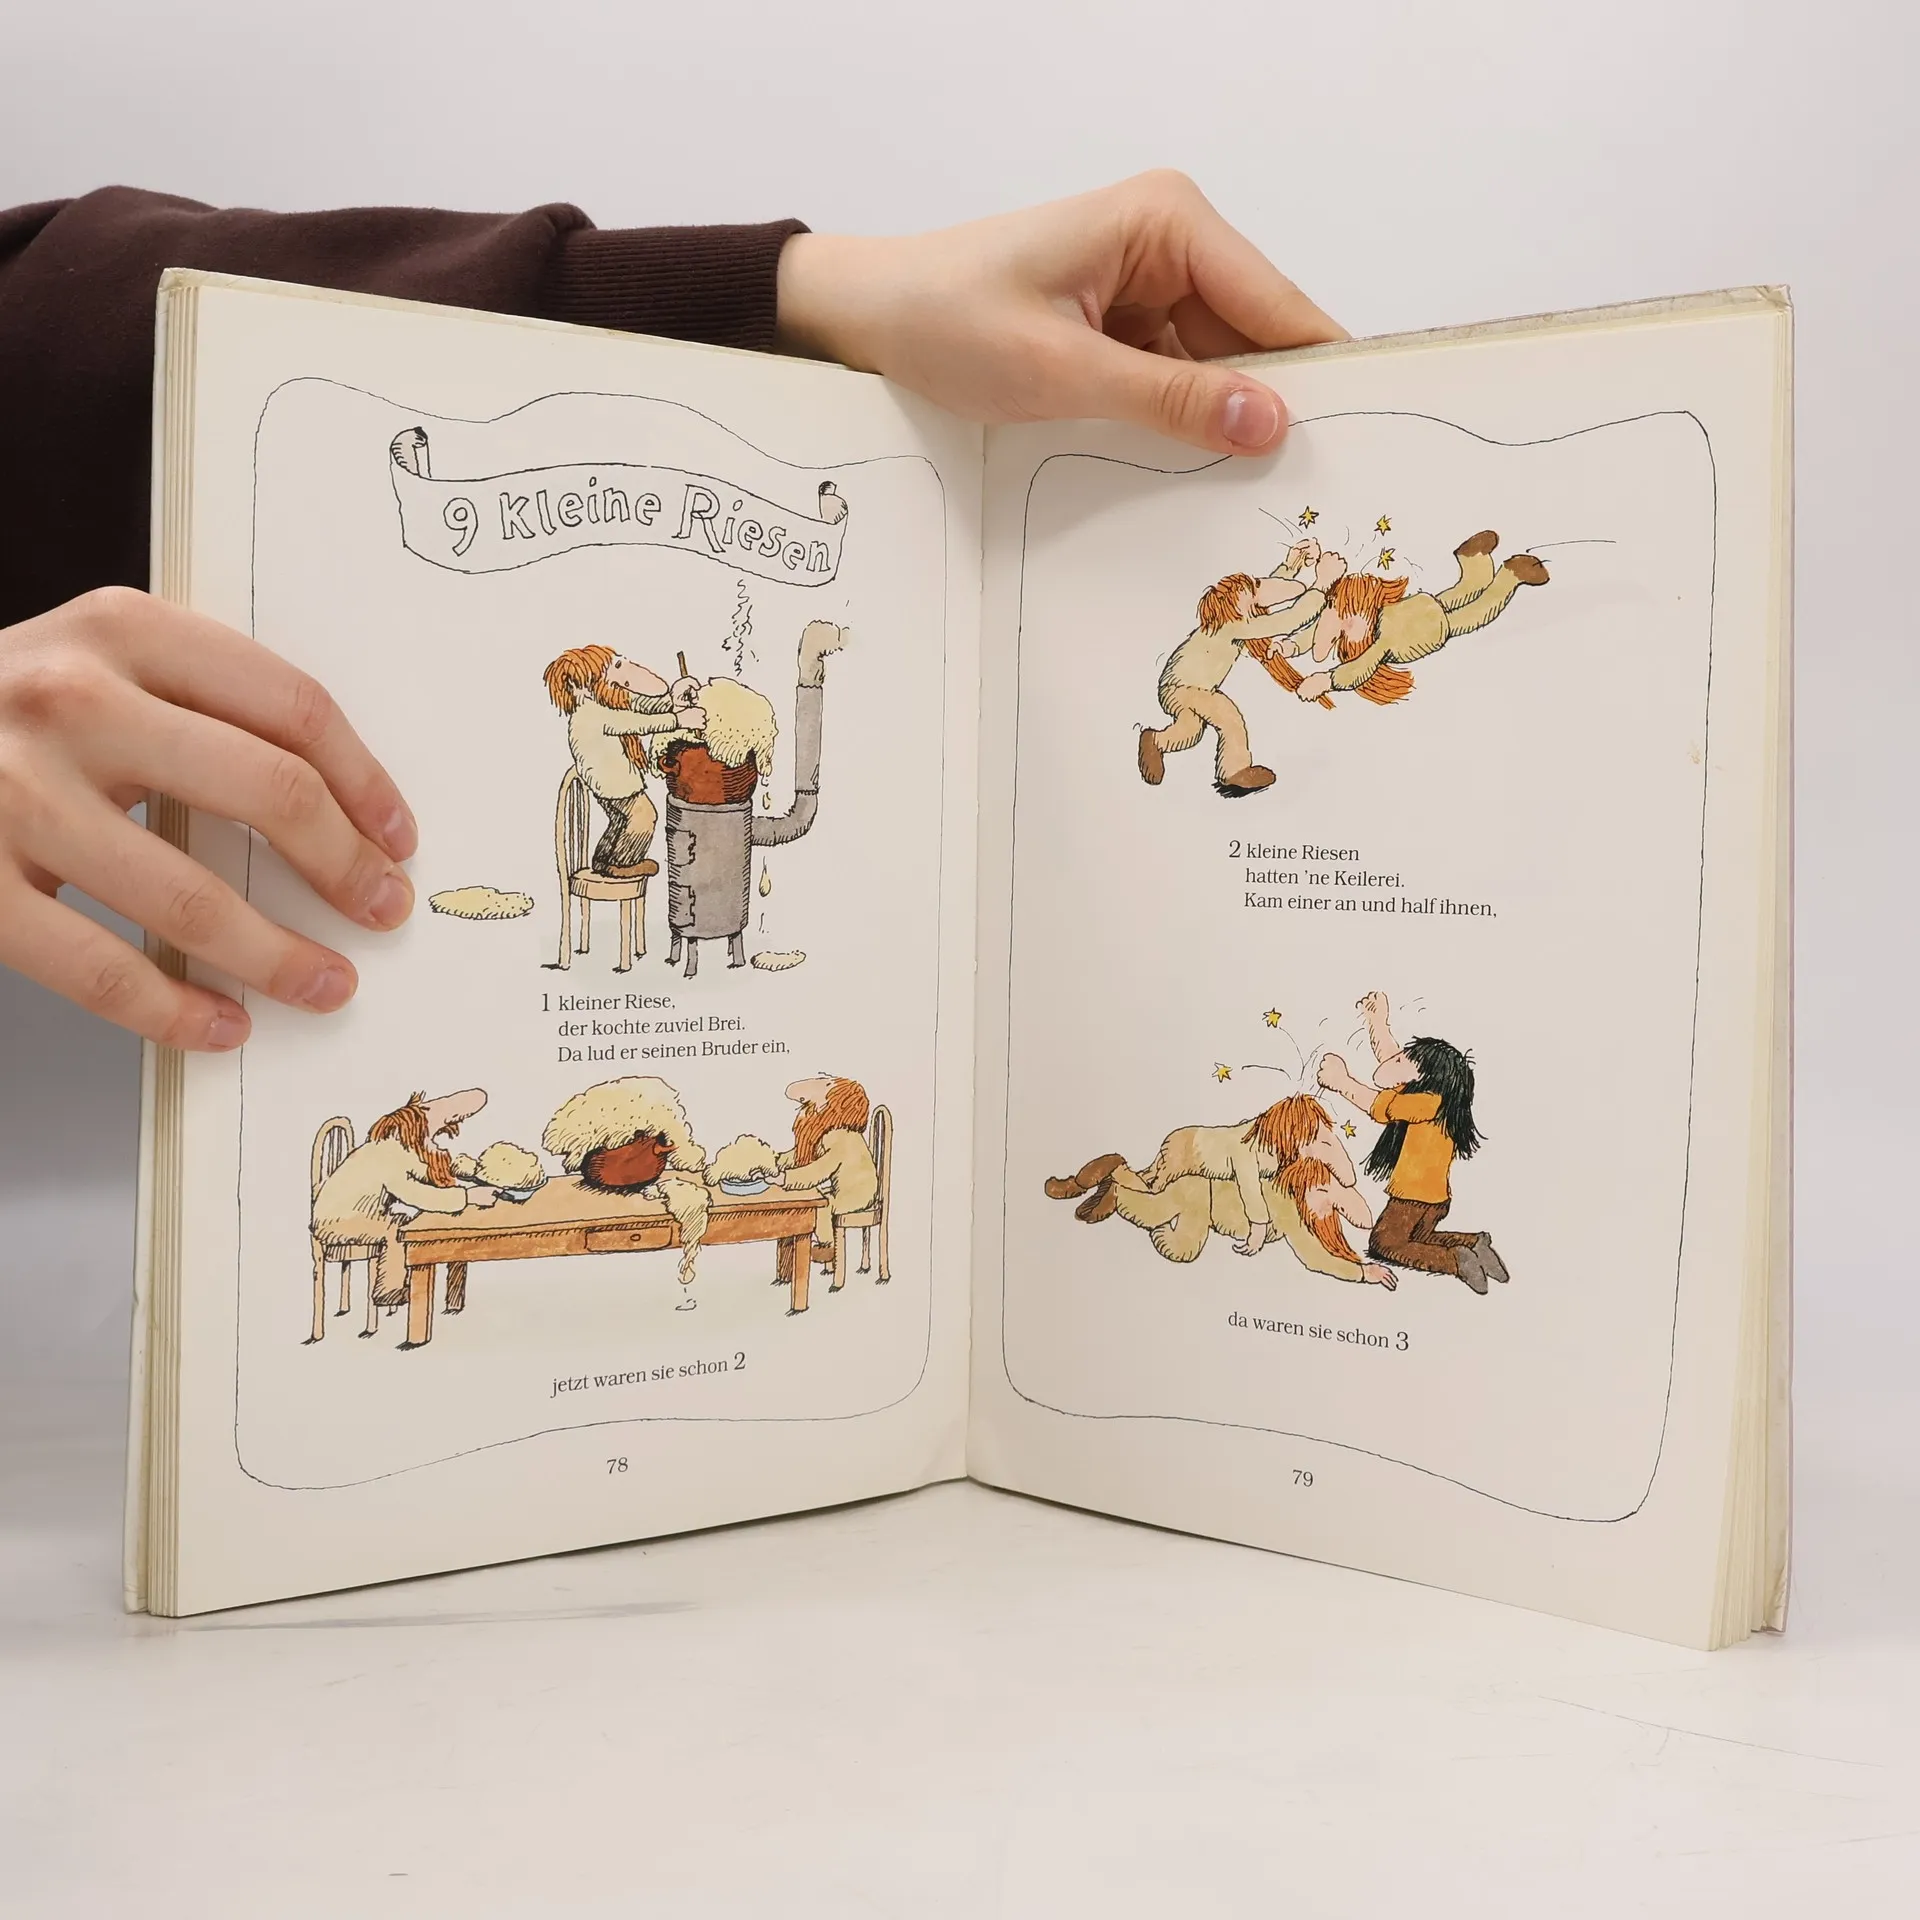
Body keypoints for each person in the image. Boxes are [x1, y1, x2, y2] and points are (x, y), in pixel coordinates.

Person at [0, 175, 1342, 1047]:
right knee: (653, 847)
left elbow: (64, 322)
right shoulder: (620, 726)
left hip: (684, 817)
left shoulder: (669, 731)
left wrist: (794, 296)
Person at [1045, 1092, 1397, 1288]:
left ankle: (1120, 1180)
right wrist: (1258, 1228)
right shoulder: (1253, 1148)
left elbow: (1337, 1214)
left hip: (1205, 1196)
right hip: (1189, 1154)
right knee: (1154, 1204)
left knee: (1180, 1245)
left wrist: (1360, 1270)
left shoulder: (1285, 1173)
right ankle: (1115, 1184)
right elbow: (1249, 1187)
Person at [1315, 991, 1511, 1294]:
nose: (1396, 1061)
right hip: (1434, 1199)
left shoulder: (1425, 1104)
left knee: (1384, 1244)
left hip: (1413, 1196)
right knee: (1418, 1238)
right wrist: (1377, 1023)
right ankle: (1474, 1243)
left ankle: (1455, 1262)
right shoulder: (1435, 1100)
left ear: (1426, 1075)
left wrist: (1342, 1082)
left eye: (1405, 1061)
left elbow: (1377, 1105)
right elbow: (1393, 1063)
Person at [1137, 551, 1342, 796]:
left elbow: (1265, 597)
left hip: (1174, 688)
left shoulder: (1229, 623)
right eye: (1249, 595)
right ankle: (1235, 771)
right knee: (1229, 719)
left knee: (1191, 730)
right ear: (1234, 602)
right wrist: (1321, 585)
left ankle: (1157, 741)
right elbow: (1285, 621)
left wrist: (1291, 565)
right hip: (1188, 688)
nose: (1255, 599)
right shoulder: (1234, 625)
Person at [1284, 533, 1550, 706]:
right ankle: (1509, 576)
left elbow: (1325, 629)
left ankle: (1475, 560)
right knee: (1479, 609)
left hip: (1425, 608)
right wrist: (1325, 679)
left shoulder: (1372, 615)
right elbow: (1356, 668)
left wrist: (1294, 650)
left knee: (1465, 592)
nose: (1345, 622)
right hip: (1436, 627)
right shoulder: (1380, 644)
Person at [309, 1087, 494, 1331]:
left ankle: (404, 1286)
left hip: (351, 1216)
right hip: (335, 1223)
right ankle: (390, 1290)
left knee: (398, 1222)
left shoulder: (390, 1148)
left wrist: (456, 1175)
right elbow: (419, 1195)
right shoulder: (388, 1156)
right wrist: (467, 1196)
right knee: (397, 1229)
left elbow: (420, 1174)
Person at [541, 646, 698, 876]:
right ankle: (622, 864)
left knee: (620, 821)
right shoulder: (592, 713)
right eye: (609, 670)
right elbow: (637, 722)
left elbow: (642, 706)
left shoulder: (602, 704)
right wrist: (679, 720)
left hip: (610, 785)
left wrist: (674, 700)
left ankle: (604, 860)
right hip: (616, 786)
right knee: (644, 817)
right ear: (579, 684)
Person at [777, 1075, 878, 1285]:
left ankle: (827, 1248)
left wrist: (784, 1178)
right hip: (845, 1190)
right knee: (819, 1199)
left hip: (859, 1194)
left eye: (812, 1106)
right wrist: (776, 1161)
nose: (805, 1111)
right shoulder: (831, 1135)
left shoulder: (841, 1138)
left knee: (822, 1205)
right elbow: (801, 1155)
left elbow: (817, 1172)